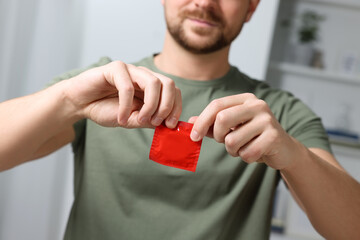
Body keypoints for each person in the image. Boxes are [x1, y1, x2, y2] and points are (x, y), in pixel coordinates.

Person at [0, 0, 359, 239]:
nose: (204, 2)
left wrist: (293, 155)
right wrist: (67, 100)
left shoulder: (280, 116)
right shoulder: (97, 87)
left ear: (251, 7)